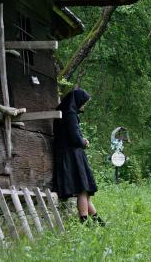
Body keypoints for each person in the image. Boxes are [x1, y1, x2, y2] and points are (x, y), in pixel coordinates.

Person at [52, 88, 105, 226]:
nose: (84, 105)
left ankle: (99, 223)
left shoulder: (65, 112)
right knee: (82, 189)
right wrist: (84, 142)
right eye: (84, 102)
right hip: (72, 155)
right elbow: (75, 138)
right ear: (78, 100)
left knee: (85, 192)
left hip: (68, 154)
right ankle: (84, 223)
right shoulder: (70, 114)